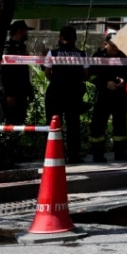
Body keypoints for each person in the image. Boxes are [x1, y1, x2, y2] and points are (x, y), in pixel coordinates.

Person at [42, 25, 86, 164]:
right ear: (75, 38)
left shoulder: (52, 53)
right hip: (74, 93)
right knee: (73, 125)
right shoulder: (82, 54)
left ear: (60, 37)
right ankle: (74, 155)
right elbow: (85, 74)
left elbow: (47, 73)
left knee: (54, 124)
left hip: (56, 92)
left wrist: (57, 81)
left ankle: (55, 154)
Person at [89, 33, 127, 163]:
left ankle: (120, 153)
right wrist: (105, 83)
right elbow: (90, 75)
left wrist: (124, 79)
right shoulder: (97, 57)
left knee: (120, 124)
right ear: (105, 44)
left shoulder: (123, 56)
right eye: (113, 45)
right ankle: (97, 154)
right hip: (103, 94)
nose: (116, 48)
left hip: (119, 94)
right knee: (98, 124)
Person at [0, 19, 35, 125]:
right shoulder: (8, 48)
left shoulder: (22, 48)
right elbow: (6, 73)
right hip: (11, 92)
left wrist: (29, 91)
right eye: (25, 31)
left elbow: (24, 72)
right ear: (19, 31)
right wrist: (9, 93)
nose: (27, 33)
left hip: (21, 92)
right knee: (10, 121)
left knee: (20, 121)